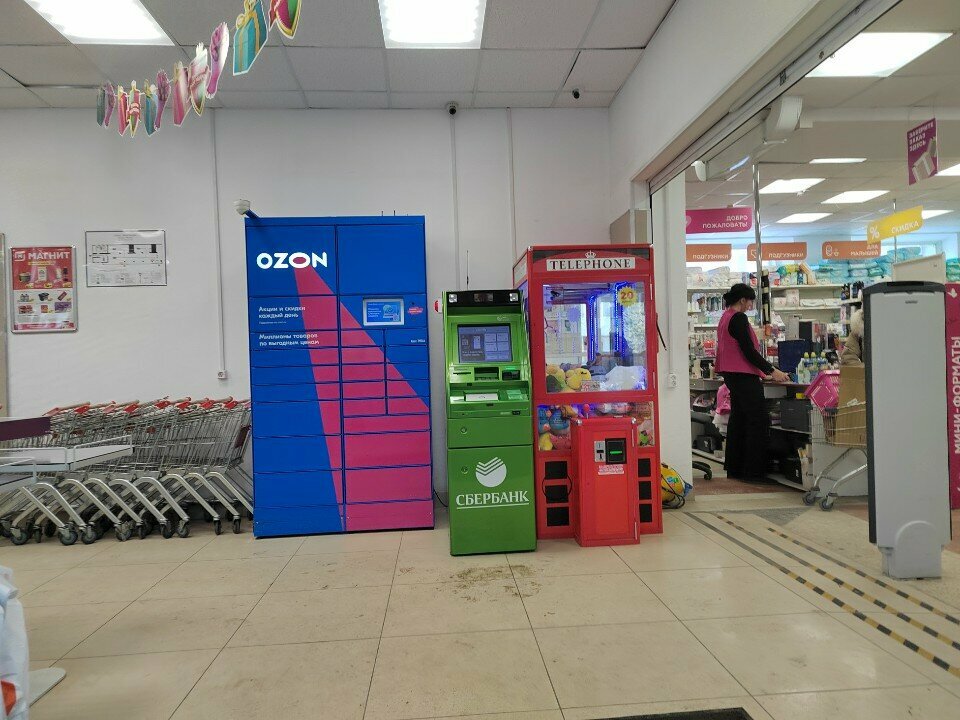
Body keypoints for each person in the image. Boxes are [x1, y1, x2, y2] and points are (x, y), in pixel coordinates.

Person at [715, 283, 790, 481]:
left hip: (731, 374)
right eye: (750, 301)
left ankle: (735, 468)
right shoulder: (739, 318)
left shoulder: (725, 317)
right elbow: (748, 350)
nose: (750, 305)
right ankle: (754, 471)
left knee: (738, 419)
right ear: (743, 300)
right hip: (743, 375)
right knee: (758, 420)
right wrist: (772, 370)